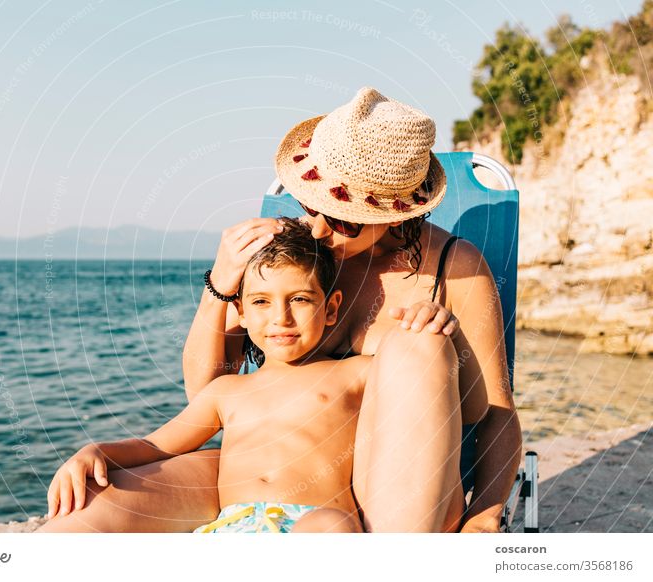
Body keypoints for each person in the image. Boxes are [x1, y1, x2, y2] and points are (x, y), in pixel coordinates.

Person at [37, 87, 521, 533]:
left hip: (389, 488)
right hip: (268, 473)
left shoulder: (455, 269)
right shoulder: (293, 251)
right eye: (311, 204)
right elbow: (210, 394)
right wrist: (220, 286)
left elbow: (494, 411)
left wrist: (487, 512)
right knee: (90, 510)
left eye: (341, 219)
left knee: (419, 342)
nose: (318, 229)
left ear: (397, 213)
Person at [46, 219, 370, 533]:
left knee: (331, 526)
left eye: (299, 299)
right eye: (261, 301)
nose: (280, 317)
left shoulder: (354, 373)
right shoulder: (226, 391)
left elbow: (416, 385)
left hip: (313, 522)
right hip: (235, 527)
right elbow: (157, 445)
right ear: (241, 312)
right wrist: (98, 452)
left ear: (330, 308)